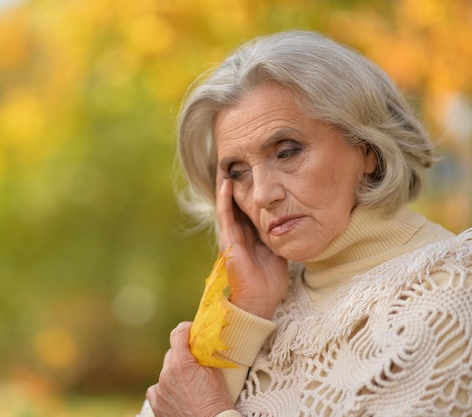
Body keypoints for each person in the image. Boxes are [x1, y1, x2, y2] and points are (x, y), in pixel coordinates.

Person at [139, 30, 472, 417]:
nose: (262, 194)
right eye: (238, 171)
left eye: (286, 151)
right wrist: (247, 312)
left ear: (367, 146)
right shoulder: (260, 301)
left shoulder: (453, 290)